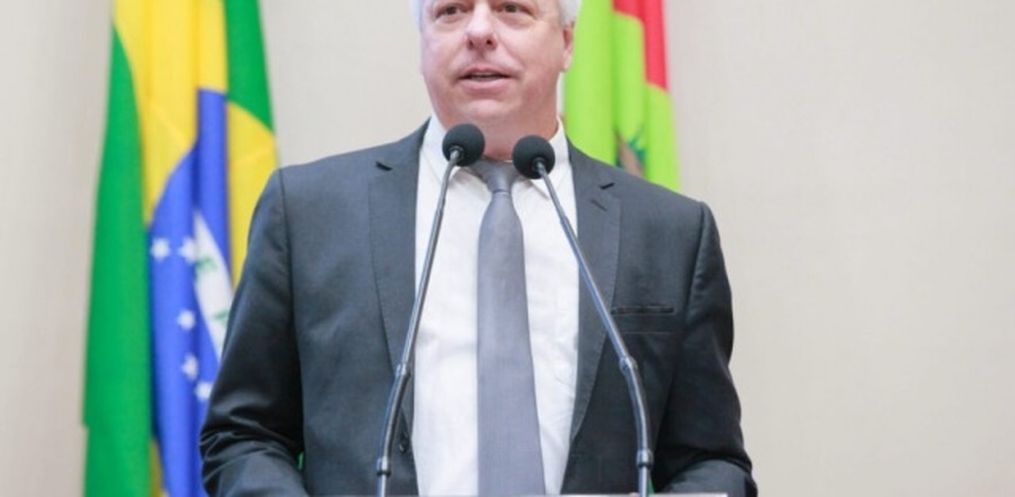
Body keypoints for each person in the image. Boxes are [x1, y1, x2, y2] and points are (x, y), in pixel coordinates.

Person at [200, 1, 756, 496]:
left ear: (566, 41)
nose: (479, 31)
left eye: (512, 8)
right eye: (451, 11)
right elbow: (244, 434)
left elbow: (711, 461)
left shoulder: (667, 231)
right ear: (423, 40)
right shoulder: (309, 212)